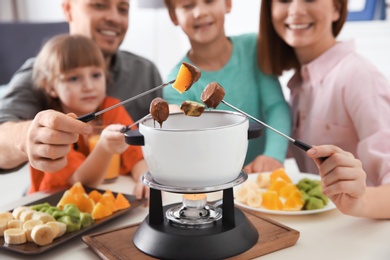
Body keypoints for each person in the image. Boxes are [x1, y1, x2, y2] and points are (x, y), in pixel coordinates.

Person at [0, 0, 162, 185]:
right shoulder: (37, 75)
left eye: (123, 9)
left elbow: (141, 156)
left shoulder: (142, 74)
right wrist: (34, 136)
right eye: (99, 5)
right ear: (68, 9)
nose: (114, 17)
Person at [259, 0, 390, 218]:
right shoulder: (299, 85)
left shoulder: (360, 77)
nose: (296, 10)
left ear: (337, 8)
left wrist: (361, 202)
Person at [162, 0, 292, 172]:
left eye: (209, 1)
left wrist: (273, 155)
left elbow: (276, 107)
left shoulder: (254, 48)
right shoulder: (178, 82)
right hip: (214, 179)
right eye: (188, 5)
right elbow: (194, 137)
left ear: (228, 4)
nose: (200, 12)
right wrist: (177, 119)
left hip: (262, 176)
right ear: (173, 16)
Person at [28, 34, 147, 196]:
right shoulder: (54, 127)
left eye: (96, 75)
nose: (88, 86)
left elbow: (137, 159)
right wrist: (105, 147)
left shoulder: (111, 109)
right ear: (50, 87)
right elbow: (79, 183)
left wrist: (145, 180)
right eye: (74, 78)